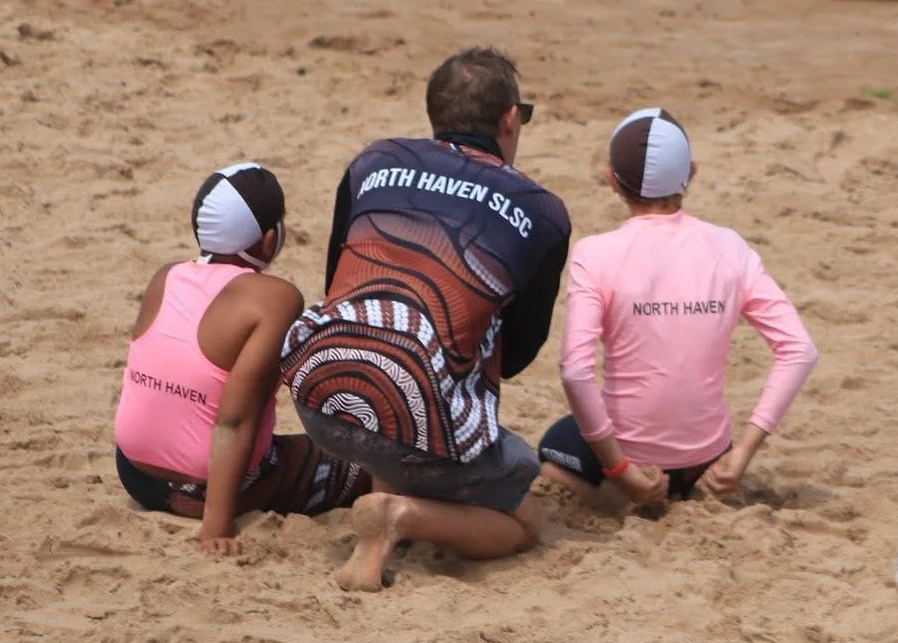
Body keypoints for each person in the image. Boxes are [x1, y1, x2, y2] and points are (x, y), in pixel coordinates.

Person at [281, 47, 572, 591]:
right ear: (510, 120)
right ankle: (399, 517)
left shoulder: (374, 160)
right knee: (525, 514)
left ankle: (390, 491)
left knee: (398, 346)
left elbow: (336, 285)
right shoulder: (542, 211)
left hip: (320, 397)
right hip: (412, 423)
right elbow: (522, 352)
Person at [537, 107, 818, 508]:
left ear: (612, 181)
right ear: (693, 174)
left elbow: (575, 372)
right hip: (708, 461)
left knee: (553, 448)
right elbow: (800, 350)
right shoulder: (729, 246)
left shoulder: (594, 254)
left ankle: (619, 492)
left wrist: (618, 470)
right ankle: (694, 476)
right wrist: (742, 454)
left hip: (632, 461)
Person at [113, 163, 372, 553]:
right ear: (269, 240)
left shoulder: (165, 277)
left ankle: (180, 496)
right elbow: (234, 419)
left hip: (134, 473)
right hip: (212, 485)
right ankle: (201, 503)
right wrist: (217, 528)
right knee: (363, 459)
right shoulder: (275, 299)